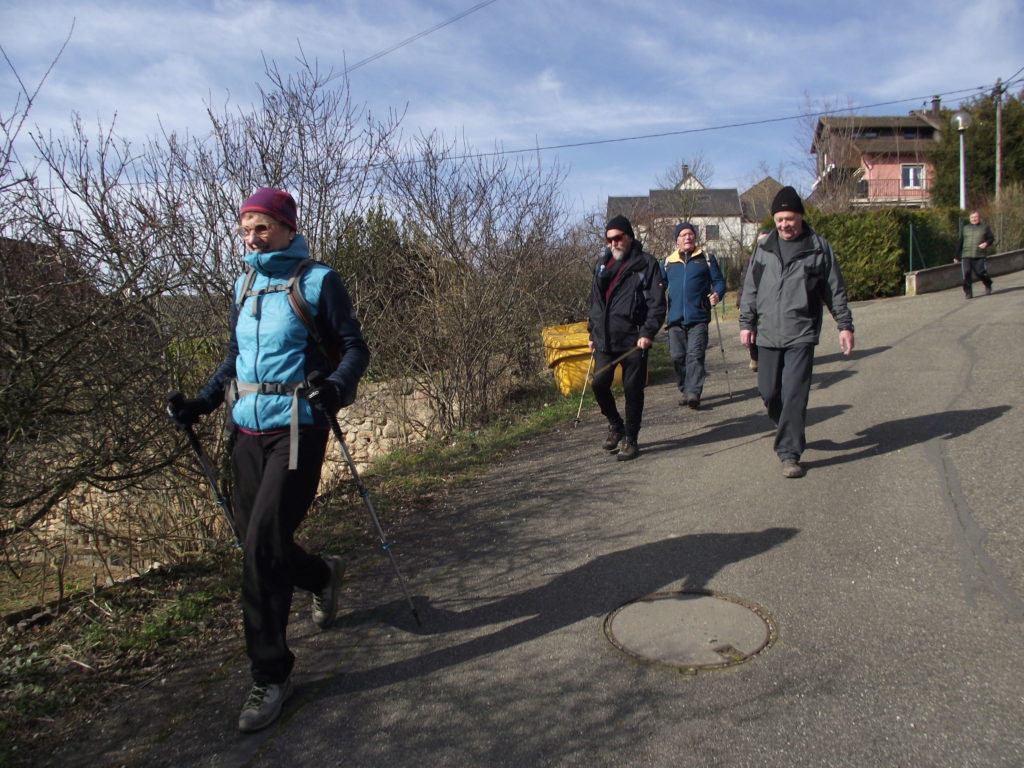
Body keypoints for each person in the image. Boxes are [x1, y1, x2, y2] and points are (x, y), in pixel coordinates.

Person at [167, 188, 369, 732]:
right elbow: (236, 358)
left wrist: (335, 387)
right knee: (258, 541)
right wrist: (203, 402)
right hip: (246, 430)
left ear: (287, 227)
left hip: (298, 429)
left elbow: (355, 347)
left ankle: (271, 675)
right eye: (245, 230)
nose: (252, 238)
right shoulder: (245, 284)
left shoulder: (317, 280)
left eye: (262, 228)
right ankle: (321, 574)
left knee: (261, 546)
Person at [738, 186, 854, 478]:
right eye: (779, 219)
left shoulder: (818, 247)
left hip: (801, 331)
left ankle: (789, 452)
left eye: (789, 218)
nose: (784, 225)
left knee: (794, 394)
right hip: (767, 332)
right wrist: (746, 323)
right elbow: (751, 288)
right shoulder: (764, 248)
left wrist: (844, 325)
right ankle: (787, 425)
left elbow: (834, 289)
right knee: (769, 392)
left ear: (800, 216)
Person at [588, 215, 666, 461]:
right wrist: (592, 332)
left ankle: (631, 438)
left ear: (629, 237)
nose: (613, 243)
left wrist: (647, 332)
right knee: (599, 384)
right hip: (605, 340)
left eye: (618, 238)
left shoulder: (646, 264)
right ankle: (616, 424)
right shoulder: (602, 265)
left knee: (633, 390)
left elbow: (657, 304)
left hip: (634, 339)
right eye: (609, 240)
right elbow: (595, 303)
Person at [663, 222, 726, 409]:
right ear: (677, 240)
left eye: (690, 234)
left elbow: (719, 282)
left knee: (695, 355)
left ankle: (693, 393)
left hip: (698, 316)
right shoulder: (668, 263)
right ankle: (685, 389)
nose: (687, 237)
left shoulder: (706, 259)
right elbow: (659, 285)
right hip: (675, 319)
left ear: (695, 237)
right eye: (683, 235)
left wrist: (717, 294)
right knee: (677, 356)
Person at [737, 228, 771, 372]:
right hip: (754, 301)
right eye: (760, 241)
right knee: (752, 331)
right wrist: (740, 302)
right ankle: (755, 357)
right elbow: (745, 283)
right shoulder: (750, 260)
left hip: (770, 304)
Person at [954, 210, 995, 298]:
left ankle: (988, 284)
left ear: (979, 218)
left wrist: (986, 243)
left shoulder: (985, 227)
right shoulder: (965, 228)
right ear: (969, 218)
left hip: (979, 254)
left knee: (980, 273)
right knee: (967, 273)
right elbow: (960, 242)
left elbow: (991, 239)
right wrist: (956, 256)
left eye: (976, 217)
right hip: (966, 255)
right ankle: (968, 292)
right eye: (972, 217)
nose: (974, 219)